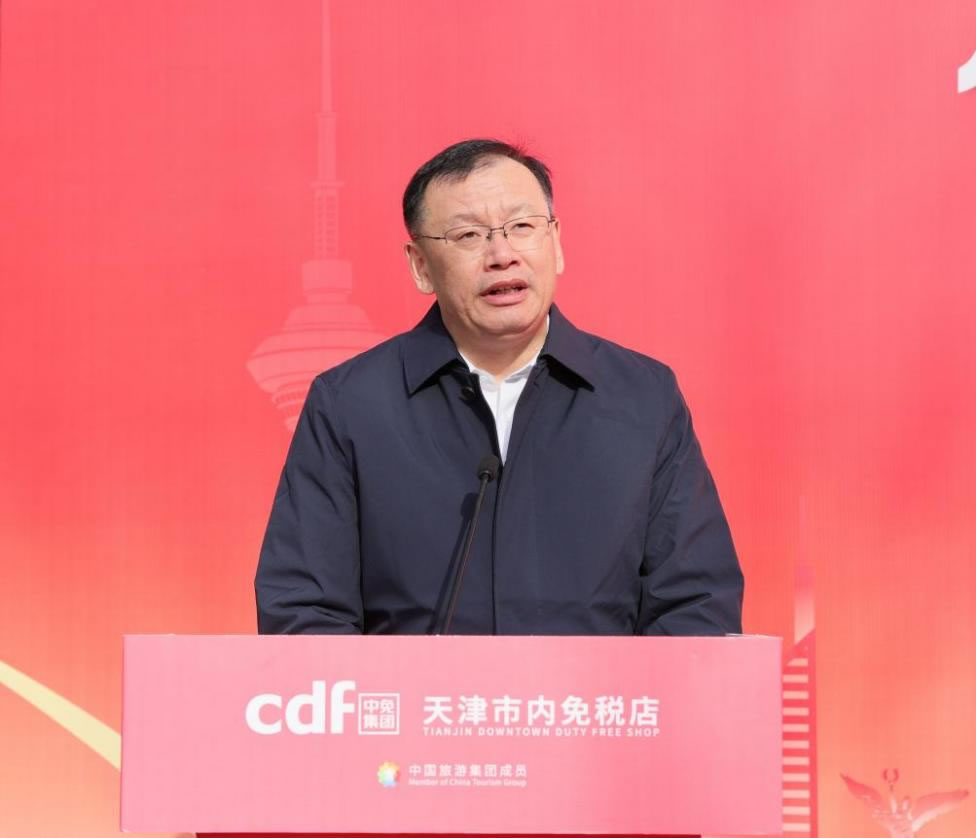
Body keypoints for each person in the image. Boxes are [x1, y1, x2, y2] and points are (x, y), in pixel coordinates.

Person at [255, 138, 743, 636]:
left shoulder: (643, 398)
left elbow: (695, 606)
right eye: (468, 235)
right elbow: (305, 611)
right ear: (421, 266)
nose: (502, 255)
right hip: (416, 692)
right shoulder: (350, 405)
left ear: (556, 243)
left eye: (523, 227)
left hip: (594, 692)